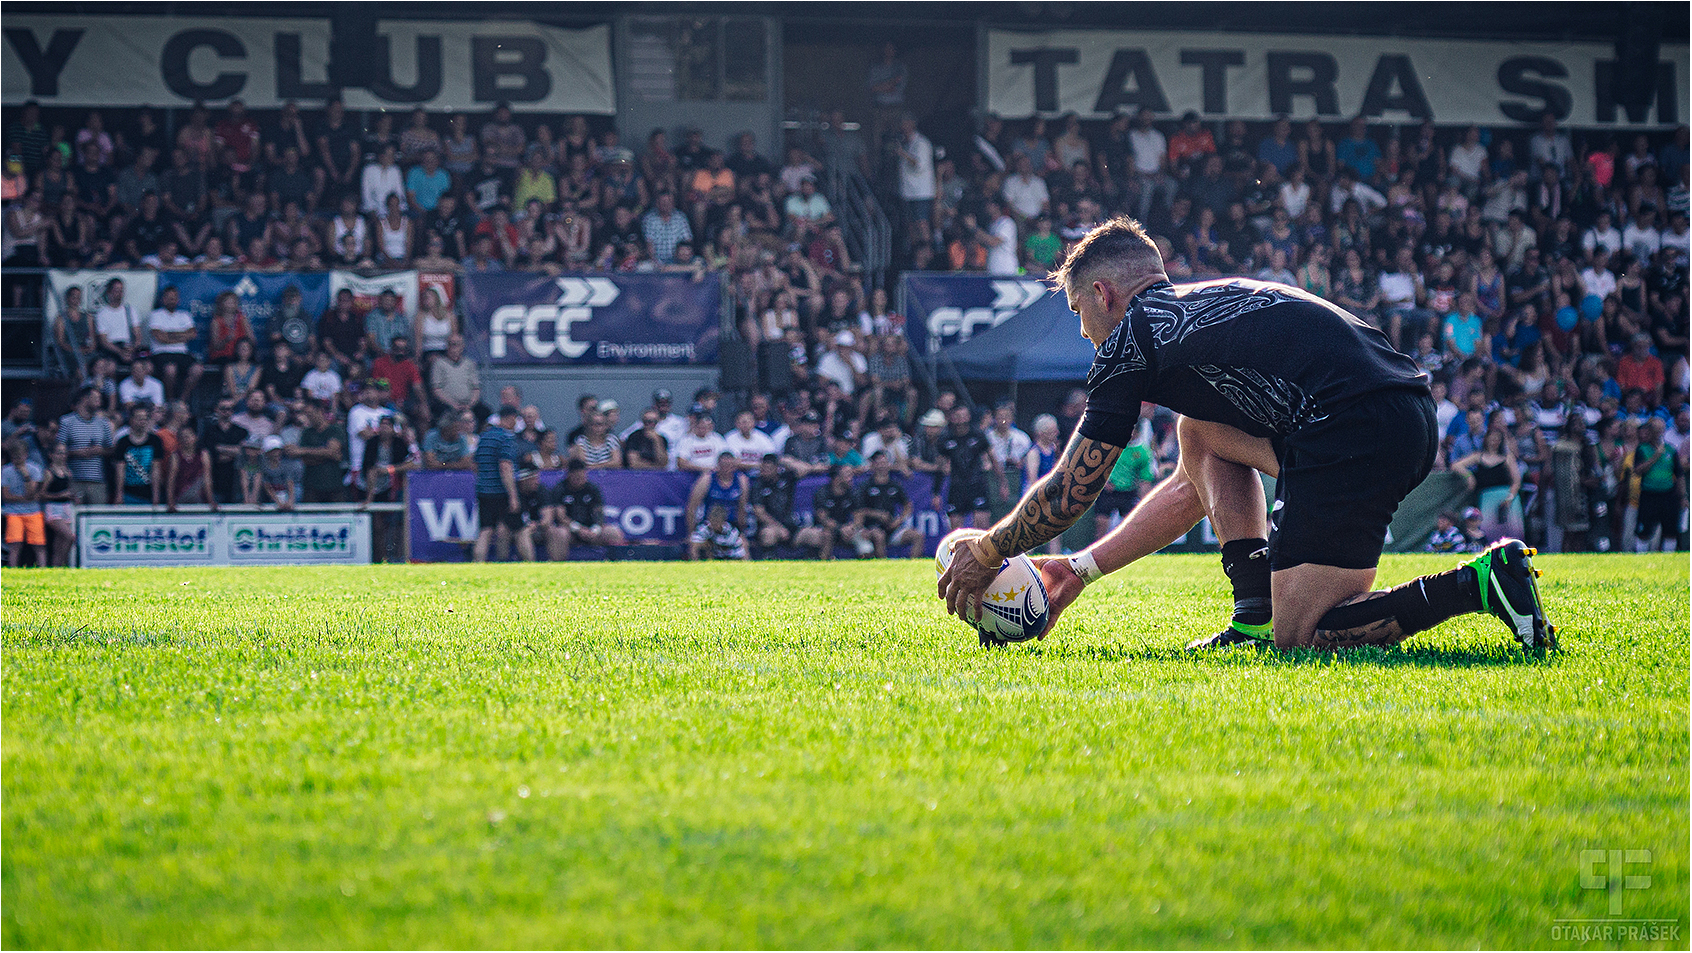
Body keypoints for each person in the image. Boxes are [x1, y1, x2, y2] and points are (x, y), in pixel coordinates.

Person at [938, 215, 1554, 652]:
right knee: (1200, 437)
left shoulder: (1131, 338)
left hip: (1352, 428)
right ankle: (1252, 613)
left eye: (1078, 311)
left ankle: (1478, 583)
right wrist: (1079, 570)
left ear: (1103, 294)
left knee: (1304, 634)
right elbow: (1191, 488)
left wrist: (988, 551)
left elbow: (1072, 491)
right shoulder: (1202, 303)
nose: (1082, 331)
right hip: (1397, 411)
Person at [473, 405, 524, 563]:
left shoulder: (484, 437)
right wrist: (513, 495)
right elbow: (505, 466)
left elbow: (475, 464)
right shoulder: (506, 438)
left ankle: (478, 563)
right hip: (500, 491)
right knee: (515, 529)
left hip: (484, 490)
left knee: (486, 530)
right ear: (510, 418)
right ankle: (526, 562)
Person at [546, 460, 626, 560]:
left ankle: (617, 563)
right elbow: (561, 517)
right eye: (576, 478)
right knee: (559, 533)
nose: (580, 480)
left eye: (582, 477)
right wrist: (578, 529)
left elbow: (599, 514)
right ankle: (558, 565)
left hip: (591, 530)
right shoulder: (559, 489)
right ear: (569, 475)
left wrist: (595, 530)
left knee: (613, 532)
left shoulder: (592, 489)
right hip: (570, 531)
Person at [932, 404, 994, 531]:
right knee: (955, 529)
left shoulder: (978, 435)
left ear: (969, 416)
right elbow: (941, 467)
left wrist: (1002, 482)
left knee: (982, 525)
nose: (961, 419)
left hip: (977, 484)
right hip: (957, 487)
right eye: (957, 416)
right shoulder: (945, 439)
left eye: (963, 415)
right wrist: (936, 493)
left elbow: (993, 457)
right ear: (952, 417)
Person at [852, 450, 922, 557]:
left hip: (891, 527)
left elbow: (907, 505)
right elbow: (859, 511)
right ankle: (882, 563)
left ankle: (913, 563)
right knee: (879, 536)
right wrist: (877, 515)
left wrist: (899, 520)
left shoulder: (894, 485)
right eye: (879, 463)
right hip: (872, 528)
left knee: (918, 536)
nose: (882, 466)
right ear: (873, 465)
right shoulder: (865, 486)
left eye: (884, 462)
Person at [110, 404, 165, 506]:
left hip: (148, 494)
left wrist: (156, 494)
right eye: (139, 418)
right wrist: (119, 494)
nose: (142, 422)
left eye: (145, 418)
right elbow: (120, 470)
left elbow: (156, 469)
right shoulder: (123, 442)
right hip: (128, 494)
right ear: (131, 420)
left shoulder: (155, 441)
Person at [3, 440, 45, 568]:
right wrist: (24, 498)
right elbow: (6, 497)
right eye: (14, 457)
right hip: (13, 512)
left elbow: (31, 494)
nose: (17, 459)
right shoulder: (5, 471)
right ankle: (13, 569)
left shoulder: (34, 469)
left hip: (33, 511)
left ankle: (43, 569)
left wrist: (26, 476)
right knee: (14, 545)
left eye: (20, 456)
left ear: (26, 454)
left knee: (39, 545)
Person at [749, 453, 798, 553]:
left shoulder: (787, 478)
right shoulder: (758, 486)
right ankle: (769, 560)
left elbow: (801, 470)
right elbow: (759, 513)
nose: (765, 471)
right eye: (763, 468)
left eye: (769, 468)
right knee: (768, 534)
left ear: (776, 468)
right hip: (770, 526)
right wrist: (779, 527)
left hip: (790, 524)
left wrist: (783, 461)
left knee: (815, 535)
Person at [166, 424, 215, 511]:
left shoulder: (203, 454)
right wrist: (170, 501)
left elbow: (207, 478)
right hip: (181, 495)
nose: (186, 439)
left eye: (188, 436)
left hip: (199, 495)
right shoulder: (176, 456)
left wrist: (211, 501)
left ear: (195, 437)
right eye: (183, 437)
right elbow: (171, 480)